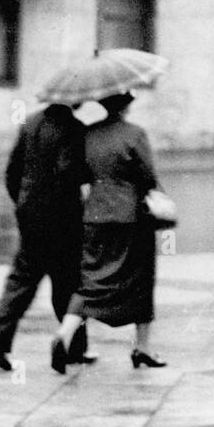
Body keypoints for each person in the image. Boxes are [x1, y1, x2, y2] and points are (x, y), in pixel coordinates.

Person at [51, 91, 164, 373]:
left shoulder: (88, 134)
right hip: (131, 217)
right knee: (141, 279)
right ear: (126, 106)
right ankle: (142, 348)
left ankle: (64, 336)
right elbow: (148, 176)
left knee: (91, 280)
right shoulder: (135, 134)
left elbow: (77, 173)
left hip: (95, 215)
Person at [0, 103, 93, 371]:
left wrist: (23, 202)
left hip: (30, 214)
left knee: (21, 280)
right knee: (68, 281)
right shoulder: (74, 128)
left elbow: (13, 170)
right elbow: (68, 171)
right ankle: (75, 347)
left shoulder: (30, 123)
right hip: (63, 217)